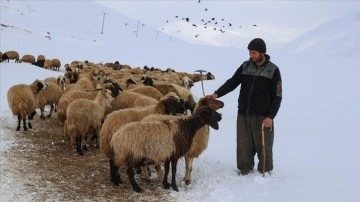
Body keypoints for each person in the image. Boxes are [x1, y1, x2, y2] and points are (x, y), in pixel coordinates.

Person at [205, 38, 282, 175]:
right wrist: (217, 94)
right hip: (243, 113)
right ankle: (244, 170)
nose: (251, 56)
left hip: (262, 116)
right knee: (243, 145)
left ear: (262, 53)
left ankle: (265, 171)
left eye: (254, 53)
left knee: (264, 146)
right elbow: (233, 82)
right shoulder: (245, 66)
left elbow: (277, 96)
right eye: (250, 52)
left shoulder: (273, 70)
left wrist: (271, 116)